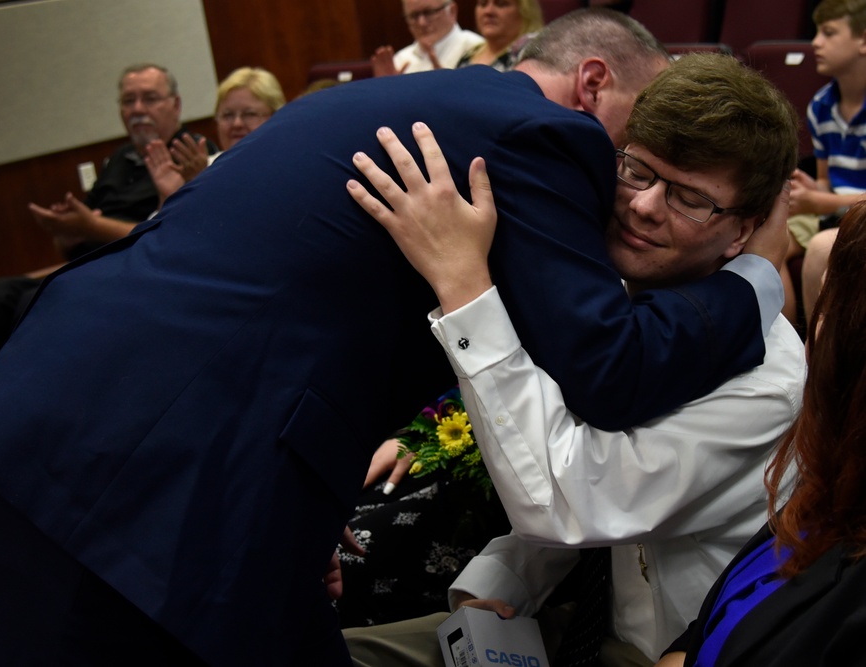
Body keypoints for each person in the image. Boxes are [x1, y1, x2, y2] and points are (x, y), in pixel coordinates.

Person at [0, 10, 783, 666]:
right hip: (161, 477)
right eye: (632, 160)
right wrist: (761, 280)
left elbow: (297, 303)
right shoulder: (548, 137)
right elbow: (612, 366)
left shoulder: (392, 103)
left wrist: (296, 509)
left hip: (56, 412)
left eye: (684, 192)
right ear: (593, 84)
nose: (626, 195)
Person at [341, 52, 803, 667]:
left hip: (670, 652)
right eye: (637, 170)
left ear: (744, 232)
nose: (643, 206)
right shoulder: (607, 296)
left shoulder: (767, 375)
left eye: (690, 198)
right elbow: (585, 474)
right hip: (569, 619)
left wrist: (464, 284)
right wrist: (501, 584)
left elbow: (578, 501)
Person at [0, 63, 214, 513]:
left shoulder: (196, 155)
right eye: (128, 100)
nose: (138, 110)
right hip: (87, 271)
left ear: (175, 105)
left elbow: (176, 239)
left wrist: (93, 225)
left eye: (149, 99)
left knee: (34, 306)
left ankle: (33, 459)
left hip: (139, 285)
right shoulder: (120, 161)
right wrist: (69, 231)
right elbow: (85, 234)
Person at [656, 201, 866, 667]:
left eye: (829, 309)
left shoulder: (771, 387)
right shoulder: (831, 488)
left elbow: (577, 502)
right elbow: (709, 627)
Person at [782, 0, 866, 326]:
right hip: (834, 210)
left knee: (819, 248)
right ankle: (785, 352)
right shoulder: (820, 106)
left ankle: (822, 359)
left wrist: (821, 201)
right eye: (817, 32)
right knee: (762, 238)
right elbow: (826, 183)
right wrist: (807, 191)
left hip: (857, 215)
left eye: (829, 33)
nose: (816, 42)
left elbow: (828, 198)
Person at [371, 0, 484, 76]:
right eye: (414, 16)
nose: (422, 23)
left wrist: (446, 85)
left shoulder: (477, 49)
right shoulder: (400, 60)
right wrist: (386, 89)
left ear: (452, 11)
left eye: (429, 12)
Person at [456, 0, 544, 71]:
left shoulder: (531, 54)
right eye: (483, 4)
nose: (488, 11)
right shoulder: (468, 54)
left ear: (525, 11)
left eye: (501, 4)